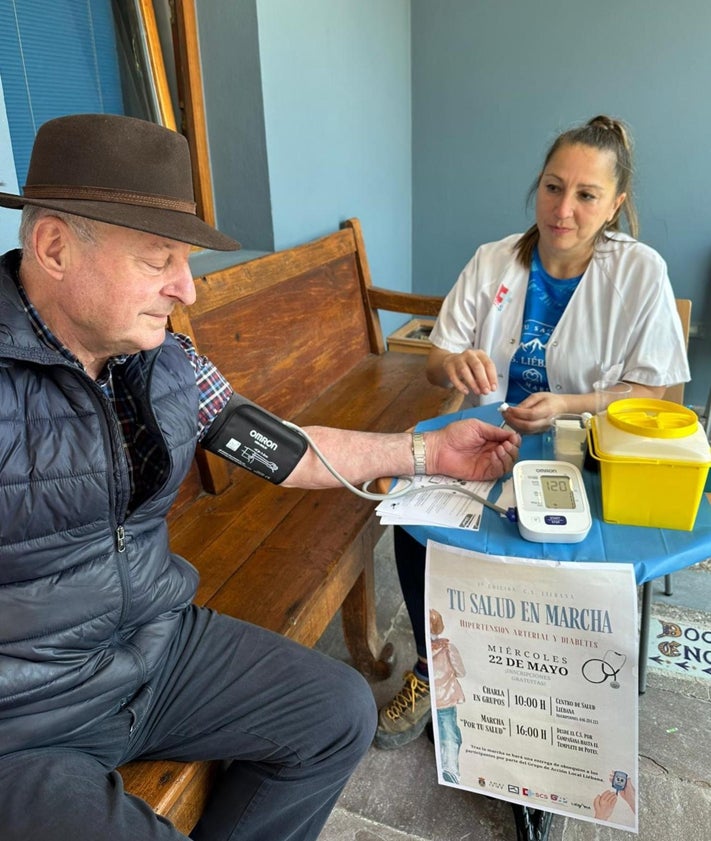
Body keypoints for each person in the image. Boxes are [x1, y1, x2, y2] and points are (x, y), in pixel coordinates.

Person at [0, 113, 520, 841]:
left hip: (154, 647)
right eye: (159, 260)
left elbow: (283, 449)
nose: (187, 287)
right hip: (23, 720)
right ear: (54, 246)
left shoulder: (165, 362)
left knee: (339, 711)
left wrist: (429, 454)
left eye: (186, 259)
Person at [375, 114, 690, 750]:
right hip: (488, 442)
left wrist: (572, 402)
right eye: (553, 187)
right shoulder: (494, 259)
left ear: (615, 205)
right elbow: (439, 358)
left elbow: (652, 388)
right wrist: (454, 364)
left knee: (571, 558)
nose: (563, 209)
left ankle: (550, 693)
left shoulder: (639, 273)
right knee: (411, 519)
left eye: (585, 194)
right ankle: (437, 665)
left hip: (588, 448)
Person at [429, 609, 465, 784]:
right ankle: (450, 770)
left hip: (433, 697)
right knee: (449, 733)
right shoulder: (447, 648)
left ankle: (450, 764)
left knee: (448, 731)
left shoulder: (426, 650)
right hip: (447, 697)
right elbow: (460, 671)